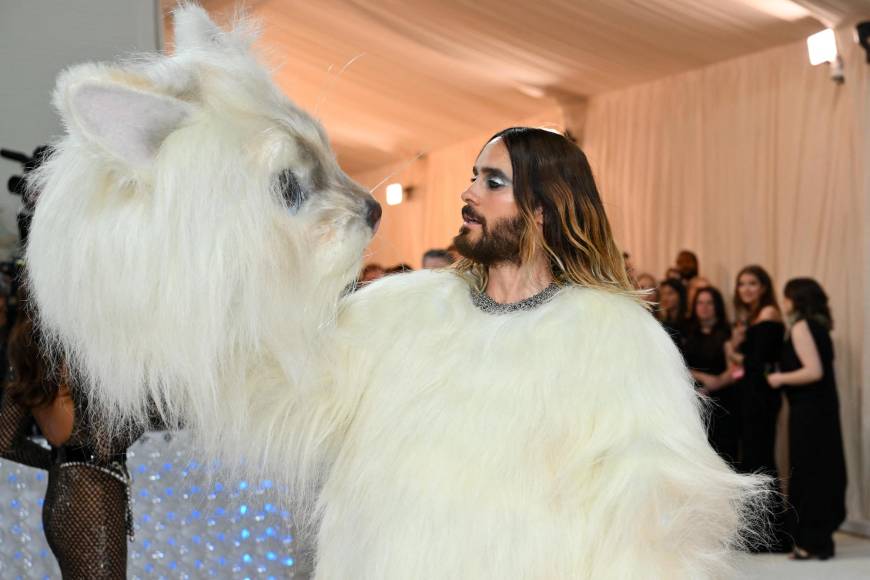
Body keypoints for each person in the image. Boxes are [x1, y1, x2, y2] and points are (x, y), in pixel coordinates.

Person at [25, 10, 765, 577]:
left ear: (546, 209)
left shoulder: (617, 336)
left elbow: (668, 509)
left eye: (493, 181)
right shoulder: (400, 311)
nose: (469, 195)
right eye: (474, 176)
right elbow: (280, 395)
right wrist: (192, 268)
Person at [0, 298, 137, 579]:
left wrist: (59, 463)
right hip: (92, 497)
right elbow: (104, 443)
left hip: (62, 497)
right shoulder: (84, 355)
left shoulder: (29, 355)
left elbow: (4, 441)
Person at [766, 278, 847, 560]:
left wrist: (778, 378)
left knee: (809, 473)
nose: (784, 303)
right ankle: (816, 539)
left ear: (796, 300)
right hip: (820, 410)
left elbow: (814, 371)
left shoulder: (801, 327)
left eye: (786, 297)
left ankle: (811, 540)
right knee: (820, 471)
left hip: (809, 412)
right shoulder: (820, 327)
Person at [729, 264, 788, 551]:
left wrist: (736, 349)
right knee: (753, 460)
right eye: (742, 284)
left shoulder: (768, 315)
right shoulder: (753, 317)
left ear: (764, 287)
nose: (746, 289)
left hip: (761, 396)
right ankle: (758, 533)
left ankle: (771, 534)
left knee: (760, 461)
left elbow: (755, 361)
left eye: (752, 283)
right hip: (751, 393)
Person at [683, 287, 739, 464]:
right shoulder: (687, 333)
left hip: (724, 401)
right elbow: (680, 366)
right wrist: (703, 379)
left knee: (724, 454)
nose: (704, 307)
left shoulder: (729, 333)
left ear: (717, 306)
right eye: (700, 303)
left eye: (709, 303)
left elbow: (737, 369)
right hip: (694, 400)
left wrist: (716, 383)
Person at [657, 278, 687, 347]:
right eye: (663, 294)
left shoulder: (688, 321)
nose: (665, 298)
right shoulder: (661, 319)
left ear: (680, 295)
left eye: (670, 293)